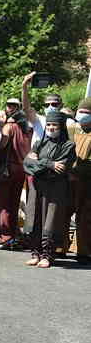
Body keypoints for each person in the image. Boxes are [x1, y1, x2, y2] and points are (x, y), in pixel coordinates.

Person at [23, 112, 76, 268]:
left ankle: (48, 255)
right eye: (49, 125)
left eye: (55, 125)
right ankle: (35, 253)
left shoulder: (68, 146)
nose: (51, 128)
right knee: (34, 217)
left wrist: (39, 162)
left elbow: (62, 168)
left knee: (51, 220)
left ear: (61, 127)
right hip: (37, 187)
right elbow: (27, 164)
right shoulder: (39, 143)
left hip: (55, 188)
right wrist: (49, 164)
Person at [0, 98, 32, 250]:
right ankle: (15, 235)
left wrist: (0, 126)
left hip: (6, 170)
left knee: (3, 205)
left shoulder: (9, 127)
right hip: (21, 170)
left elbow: (1, 146)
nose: (9, 108)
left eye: (11, 105)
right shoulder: (27, 128)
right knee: (14, 204)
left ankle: (6, 237)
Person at [72, 98, 91, 263]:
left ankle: (82, 250)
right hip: (68, 179)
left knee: (84, 216)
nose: (83, 115)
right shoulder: (73, 130)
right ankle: (59, 248)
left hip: (86, 181)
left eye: (87, 113)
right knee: (63, 215)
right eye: (81, 111)